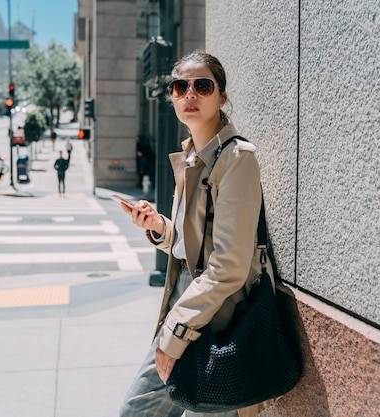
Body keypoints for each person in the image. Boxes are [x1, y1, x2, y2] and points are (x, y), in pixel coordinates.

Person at [118, 51, 275, 417]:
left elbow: (229, 266)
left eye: (202, 86)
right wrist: (159, 228)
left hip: (216, 318)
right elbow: (196, 247)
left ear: (221, 97)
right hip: (187, 307)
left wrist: (173, 333)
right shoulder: (191, 158)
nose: (190, 94)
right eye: (180, 86)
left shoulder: (237, 159)